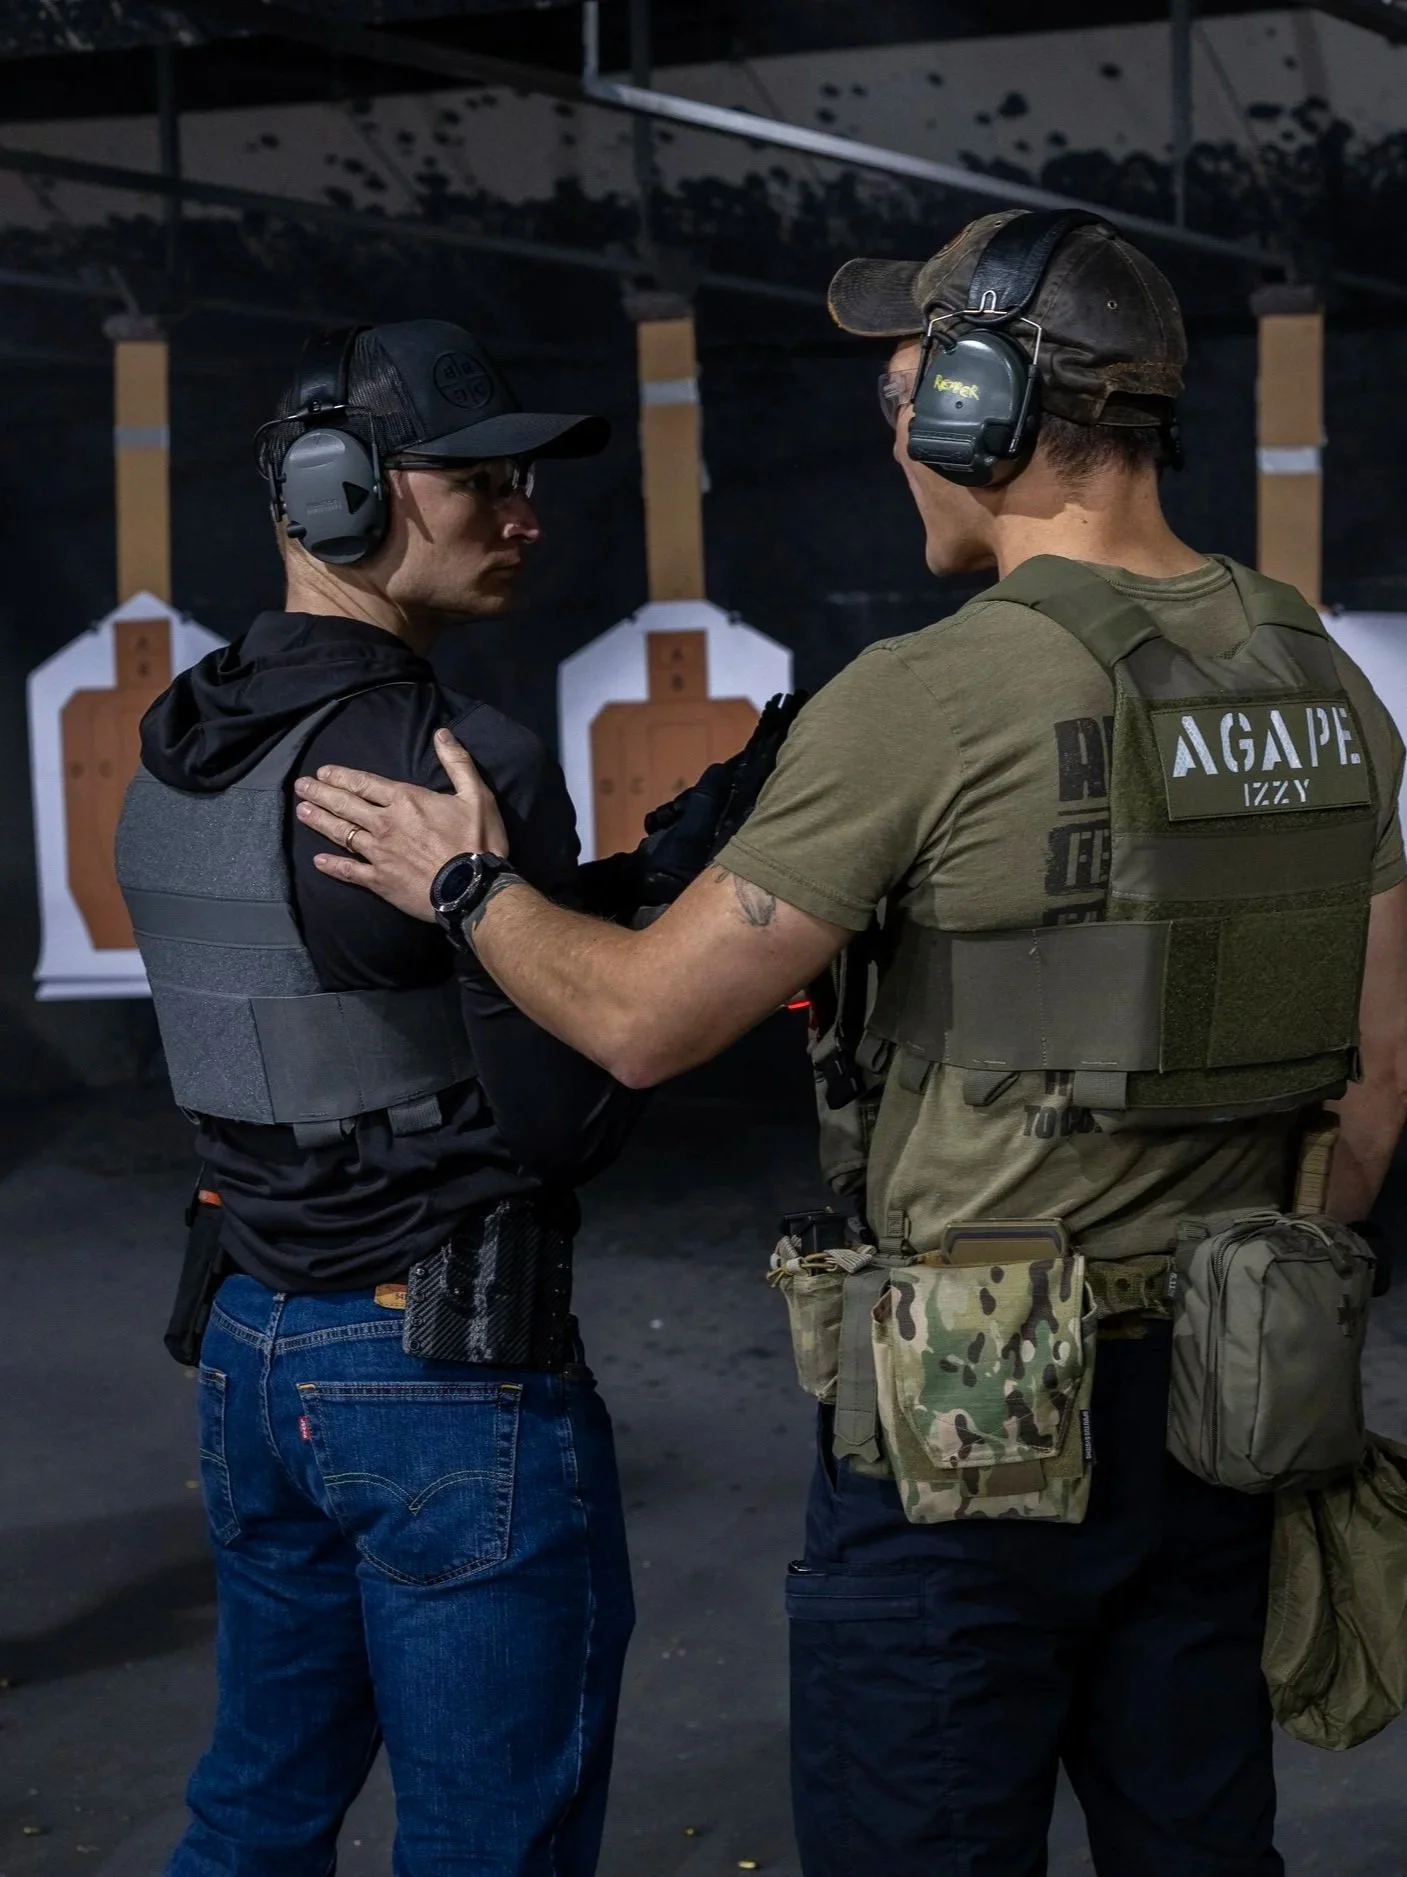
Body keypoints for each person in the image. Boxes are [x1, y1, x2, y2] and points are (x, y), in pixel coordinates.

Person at [291, 217, 1407, 1876]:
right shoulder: (1321, 677)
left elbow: (643, 1022)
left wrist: (459, 884)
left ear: (982, 407)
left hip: (974, 1412)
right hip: (1235, 1382)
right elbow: (1374, 1076)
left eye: (907, 394)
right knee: (1195, 1841)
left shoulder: (935, 694)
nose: (894, 438)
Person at [116, 320, 655, 1877]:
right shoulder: (453, 766)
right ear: (341, 491)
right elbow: (575, 1118)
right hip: (437, 1372)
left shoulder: (181, 745)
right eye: (479, 479)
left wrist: (607, 885)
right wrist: (548, 915)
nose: (522, 514)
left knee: (256, 1813)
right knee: (493, 1842)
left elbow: (330, 969)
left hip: (250, 1344)